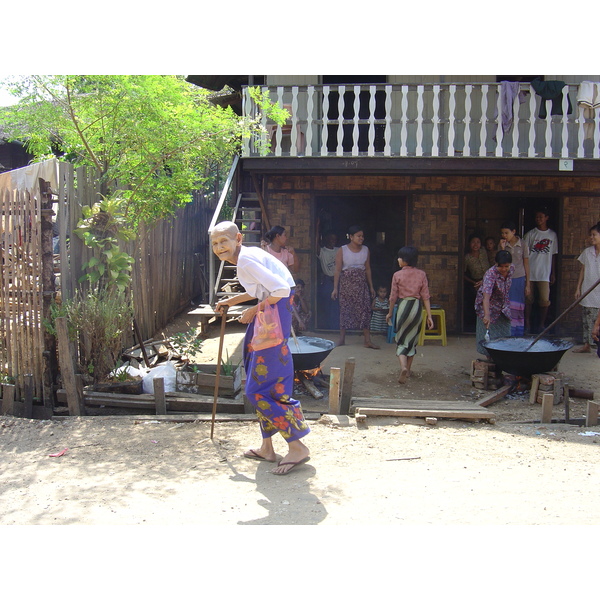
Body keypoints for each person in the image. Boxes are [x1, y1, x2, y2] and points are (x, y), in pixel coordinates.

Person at [211, 221, 310, 476]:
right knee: (269, 385)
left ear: (238, 239)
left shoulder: (245, 260)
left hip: (272, 321)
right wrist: (230, 301)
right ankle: (267, 447)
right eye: (215, 243)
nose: (220, 247)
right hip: (273, 317)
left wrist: (254, 309)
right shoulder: (246, 256)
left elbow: (280, 289)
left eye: (224, 241)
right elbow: (260, 289)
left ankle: (297, 445)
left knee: (256, 390)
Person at [386, 246, 433, 384]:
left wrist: (389, 313)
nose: (398, 260)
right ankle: (409, 370)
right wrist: (429, 316)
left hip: (403, 308)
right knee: (412, 340)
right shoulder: (422, 274)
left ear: (404, 260)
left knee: (401, 339)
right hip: (416, 308)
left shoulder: (397, 275)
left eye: (400, 257)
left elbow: (393, 297)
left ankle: (403, 367)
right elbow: (426, 296)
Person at [331, 225, 379, 349]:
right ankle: (341, 339)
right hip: (346, 285)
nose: (361, 238)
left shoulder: (366, 250)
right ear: (351, 237)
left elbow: (368, 269)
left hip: (361, 285)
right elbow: (337, 270)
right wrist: (335, 288)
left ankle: (367, 340)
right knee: (345, 310)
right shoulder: (342, 250)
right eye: (358, 236)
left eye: (362, 236)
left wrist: (371, 286)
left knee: (365, 310)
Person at [523, 209, 558, 333]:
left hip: (544, 273)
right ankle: (527, 324)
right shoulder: (530, 234)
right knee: (528, 299)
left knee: (544, 300)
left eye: (541, 217)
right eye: (537, 217)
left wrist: (553, 272)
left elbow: (553, 255)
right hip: (530, 272)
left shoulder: (552, 235)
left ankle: (542, 325)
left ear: (547, 217)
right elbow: (524, 255)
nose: (538, 219)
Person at [475, 250, 514, 357]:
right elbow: (486, 297)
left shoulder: (512, 269)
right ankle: (490, 358)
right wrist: (487, 315)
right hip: (488, 305)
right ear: (496, 264)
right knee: (489, 336)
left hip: (503, 305)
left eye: (506, 266)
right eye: (500, 266)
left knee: (505, 334)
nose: (504, 269)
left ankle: (503, 358)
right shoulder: (490, 274)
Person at [498, 221, 530, 336]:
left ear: (514, 232)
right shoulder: (502, 244)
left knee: (518, 306)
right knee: (507, 305)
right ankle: (507, 331)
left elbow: (526, 264)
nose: (504, 235)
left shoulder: (523, 244)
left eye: (506, 233)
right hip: (506, 279)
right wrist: (502, 248)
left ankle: (517, 332)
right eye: (502, 233)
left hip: (519, 279)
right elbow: (499, 263)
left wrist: (528, 284)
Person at [573, 222, 600, 353]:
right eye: (591, 235)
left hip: (599, 292)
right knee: (587, 319)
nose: (591, 237)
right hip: (587, 289)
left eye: (594, 235)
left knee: (597, 320)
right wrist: (578, 288)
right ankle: (587, 345)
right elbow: (582, 270)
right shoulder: (587, 252)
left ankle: (597, 346)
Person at [464, 234, 490, 330]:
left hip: (488, 279)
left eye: (478, 242)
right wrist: (473, 282)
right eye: (473, 242)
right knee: (478, 304)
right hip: (475, 282)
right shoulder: (467, 257)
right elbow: (462, 273)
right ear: (469, 244)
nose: (476, 245)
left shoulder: (483, 251)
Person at [316, 228, 340, 329]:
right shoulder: (322, 251)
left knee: (337, 305)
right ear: (326, 239)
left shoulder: (339, 250)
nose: (332, 241)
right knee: (326, 303)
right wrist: (316, 228)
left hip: (338, 280)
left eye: (334, 239)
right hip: (327, 280)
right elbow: (315, 243)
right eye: (330, 239)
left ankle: (336, 327)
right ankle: (326, 327)